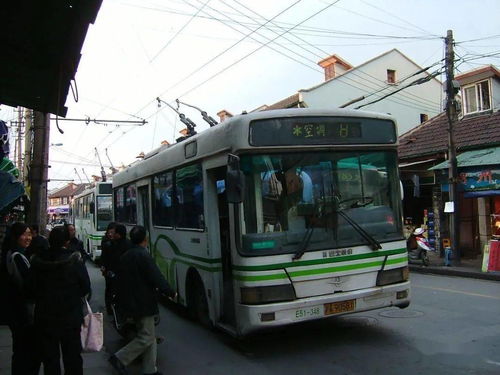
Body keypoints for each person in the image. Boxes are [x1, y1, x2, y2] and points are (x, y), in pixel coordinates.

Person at [109, 226, 176, 375]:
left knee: (149, 336)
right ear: (145, 240)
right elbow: (156, 277)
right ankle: (119, 358)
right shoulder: (143, 256)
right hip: (143, 302)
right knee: (146, 337)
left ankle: (150, 370)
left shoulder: (126, 256)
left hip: (130, 301)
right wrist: (170, 292)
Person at [26, 225, 91, 375]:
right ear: (67, 242)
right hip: (70, 316)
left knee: (50, 359)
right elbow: (85, 287)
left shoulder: (38, 261)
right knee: (73, 357)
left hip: (45, 317)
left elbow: (29, 289)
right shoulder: (74, 260)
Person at [0, 222, 40, 375]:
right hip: (21, 312)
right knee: (25, 350)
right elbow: (28, 284)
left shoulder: (13, 253)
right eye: (24, 234)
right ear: (16, 236)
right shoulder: (17, 256)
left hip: (16, 311)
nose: (28, 237)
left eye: (30, 234)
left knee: (20, 349)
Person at [100, 222, 117, 314]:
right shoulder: (105, 241)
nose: (111, 234)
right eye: (109, 232)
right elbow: (103, 256)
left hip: (116, 268)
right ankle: (109, 308)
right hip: (108, 268)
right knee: (109, 288)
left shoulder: (118, 242)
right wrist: (103, 267)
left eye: (113, 232)